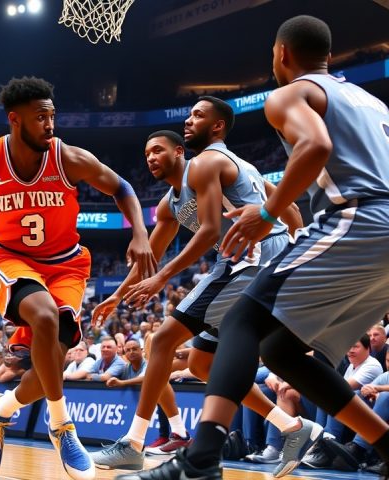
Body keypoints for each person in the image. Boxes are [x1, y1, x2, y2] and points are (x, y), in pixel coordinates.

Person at [133, 15, 389, 480]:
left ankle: (200, 458)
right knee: (280, 352)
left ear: (282, 53)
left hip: (359, 217)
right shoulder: (370, 101)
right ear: (328, 55)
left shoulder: (289, 94)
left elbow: (315, 145)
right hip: (382, 234)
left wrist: (267, 213)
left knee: (241, 321)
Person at [0, 76, 152, 480]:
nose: (49, 125)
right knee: (46, 315)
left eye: (52, 116)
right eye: (40, 118)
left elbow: (121, 187)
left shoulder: (68, 158)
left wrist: (139, 232)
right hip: (11, 258)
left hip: (67, 264)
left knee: (48, 367)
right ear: (15, 120)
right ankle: (62, 426)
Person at [92, 119, 301, 470]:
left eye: (158, 150)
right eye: (146, 154)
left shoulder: (208, 168)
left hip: (249, 262)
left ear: (179, 151)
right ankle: (292, 426)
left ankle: (133, 443)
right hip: (238, 268)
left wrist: (296, 252)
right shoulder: (168, 205)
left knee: (162, 340)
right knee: (200, 364)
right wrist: (117, 296)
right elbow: (151, 256)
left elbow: (278, 213)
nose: (150, 158)